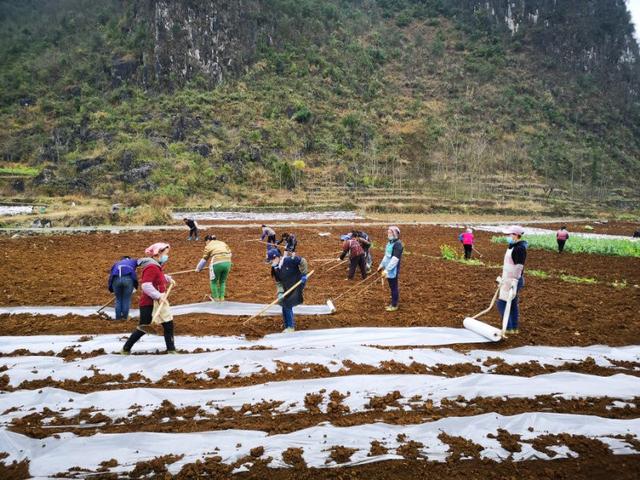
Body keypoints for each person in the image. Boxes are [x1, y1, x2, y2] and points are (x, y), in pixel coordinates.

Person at [121, 243, 176, 354]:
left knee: (168, 324)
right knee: (144, 327)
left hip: (158, 301)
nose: (166, 256)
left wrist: (167, 278)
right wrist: (159, 295)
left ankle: (171, 350)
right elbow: (146, 285)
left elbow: (158, 278)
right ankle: (125, 349)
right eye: (165, 253)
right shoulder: (151, 266)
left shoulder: (156, 266)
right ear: (158, 253)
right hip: (149, 302)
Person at [267, 248, 308, 333]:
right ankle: (287, 326)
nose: (271, 263)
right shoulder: (275, 269)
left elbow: (303, 261)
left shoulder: (289, 260)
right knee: (283, 303)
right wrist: (280, 293)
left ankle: (290, 327)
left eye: (271, 261)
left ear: (276, 258)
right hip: (287, 286)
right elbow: (279, 283)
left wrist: (304, 274)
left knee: (288, 304)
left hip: (298, 283)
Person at [497, 226, 528, 335]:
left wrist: (513, 281)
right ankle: (513, 329)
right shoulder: (513, 246)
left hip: (513, 280)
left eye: (509, 235)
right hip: (508, 279)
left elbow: (519, 266)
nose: (507, 237)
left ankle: (508, 328)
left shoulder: (520, 248)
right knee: (513, 303)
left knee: (501, 303)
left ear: (516, 235)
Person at [195, 234, 232, 302]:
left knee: (213, 282)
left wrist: (198, 268)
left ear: (208, 240)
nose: (205, 243)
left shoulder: (208, 246)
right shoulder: (222, 242)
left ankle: (216, 299)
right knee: (222, 281)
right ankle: (222, 298)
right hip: (228, 262)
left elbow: (204, 259)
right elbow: (230, 253)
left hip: (216, 263)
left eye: (205, 242)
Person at [377, 226, 403, 312]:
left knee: (394, 287)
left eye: (390, 233)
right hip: (387, 268)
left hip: (393, 269)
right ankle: (393, 300)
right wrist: (381, 265)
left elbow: (395, 259)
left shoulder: (398, 244)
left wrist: (387, 270)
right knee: (392, 286)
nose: (388, 234)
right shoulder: (389, 243)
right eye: (388, 233)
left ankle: (394, 305)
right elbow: (386, 256)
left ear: (395, 234)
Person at [108, 256, 138, 320]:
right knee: (126, 299)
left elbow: (111, 275)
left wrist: (110, 287)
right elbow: (140, 262)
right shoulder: (133, 261)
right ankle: (125, 318)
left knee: (118, 299)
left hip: (116, 280)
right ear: (129, 258)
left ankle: (118, 318)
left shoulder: (116, 263)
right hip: (128, 279)